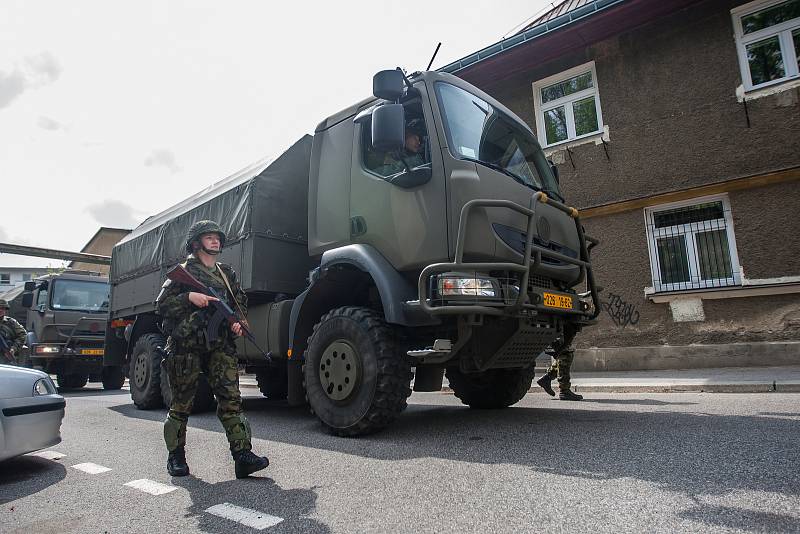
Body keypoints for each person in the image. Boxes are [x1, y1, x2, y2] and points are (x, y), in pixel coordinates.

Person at [156, 220, 269, 478]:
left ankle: (243, 456)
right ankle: (176, 457)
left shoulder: (226, 274)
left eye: (217, 237)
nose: (215, 241)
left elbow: (238, 300)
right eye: (209, 237)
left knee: (231, 399)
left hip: (219, 344)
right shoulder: (183, 272)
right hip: (187, 346)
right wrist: (188, 298)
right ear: (196, 243)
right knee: (182, 403)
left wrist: (239, 322)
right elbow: (161, 306)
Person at [0, 299, 26, 366]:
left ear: (5, 310)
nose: (0, 310)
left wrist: (14, 348)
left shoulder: (11, 322)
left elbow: (22, 335)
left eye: (3, 308)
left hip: (5, 356)